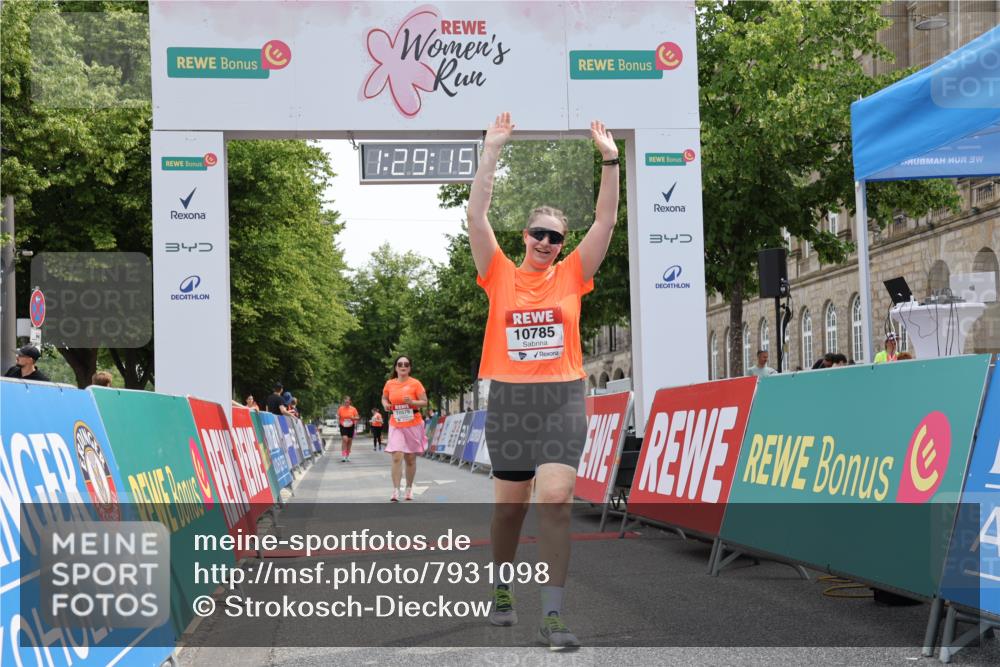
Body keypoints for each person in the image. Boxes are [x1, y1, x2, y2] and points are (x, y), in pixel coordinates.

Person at [468, 112, 619, 650]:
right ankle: (501, 584)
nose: (546, 242)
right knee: (509, 508)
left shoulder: (575, 273)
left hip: (561, 398)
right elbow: (475, 215)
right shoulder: (499, 273)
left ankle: (552, 615)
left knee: (555, 498)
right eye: (538, 233)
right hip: (510, 400)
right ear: (524, 236)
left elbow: (604, 223)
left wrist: (609, 159)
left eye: (555, 236)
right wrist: (493, 151)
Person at [382, 355, 428, 502]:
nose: (403, 366)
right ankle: (395, 491)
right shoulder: (390, 383)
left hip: (413, 423)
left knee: (410, 459)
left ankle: (408, 489)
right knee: (396, 456)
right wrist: (385, 404)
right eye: (400, 364)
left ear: (409, 368)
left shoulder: (416, 384)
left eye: (406, 364)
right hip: (396, 423)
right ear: (396, 367)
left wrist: (412, 401)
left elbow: (425, 402)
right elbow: (384, 397)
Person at [337, 396, 360, 462]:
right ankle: (343, 456)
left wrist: (353, 418)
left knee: (349, 441)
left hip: (351, 426)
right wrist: (339, 421)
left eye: (347, 402)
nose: (346, 403)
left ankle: (347, 456)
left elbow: (357, 417)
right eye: (345, 402)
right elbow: (338, 416)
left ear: (350, 402)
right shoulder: (340, 409)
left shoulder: (353, 409)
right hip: (343, 425)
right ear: (344, 402)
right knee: (345, 439)